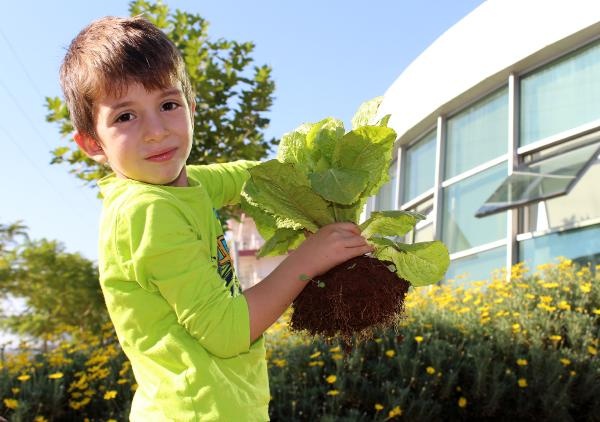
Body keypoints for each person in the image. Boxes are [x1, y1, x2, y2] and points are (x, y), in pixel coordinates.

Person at [61, 15, 373, 421]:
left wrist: (315, 175)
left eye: (168, 105)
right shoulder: (147, 211)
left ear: (191, 110)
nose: (156, 131)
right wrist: (308, 260)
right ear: (91, 142)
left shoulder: (180, 185)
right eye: (125, 116)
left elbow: (248, 178)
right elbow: (227, 332)